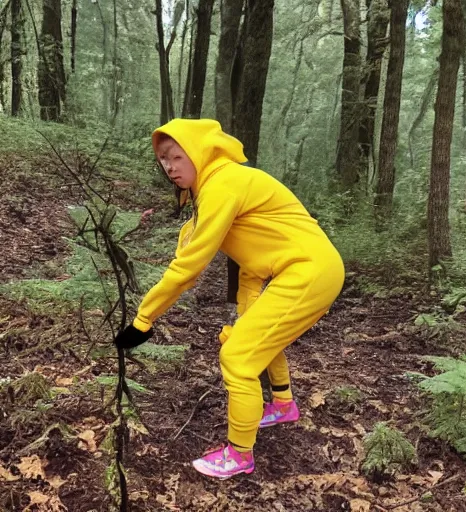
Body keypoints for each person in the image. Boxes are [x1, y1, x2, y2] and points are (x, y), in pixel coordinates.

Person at [115, 118, 345, 479]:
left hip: (309, 273)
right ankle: (283, 404)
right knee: (255, 338)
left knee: (237, 358)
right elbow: (254, 258)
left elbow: (188, 268)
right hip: (304, 270)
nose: (170, 167)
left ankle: (239, 454)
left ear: (199, 151)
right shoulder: (218, 187)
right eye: (163, 160)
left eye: (177, 156)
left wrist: (143, 320)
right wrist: (246, 312)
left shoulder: (223, 184)